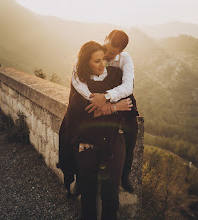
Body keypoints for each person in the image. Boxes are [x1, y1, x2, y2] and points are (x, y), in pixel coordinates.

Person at [59, 41, 138, 220]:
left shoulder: (116, 75)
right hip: (86, 145)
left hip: (113, 144)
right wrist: (115, 107)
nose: (102, 64)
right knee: (88, 196)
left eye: (103, 59)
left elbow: (130, 107)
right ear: (86, 63)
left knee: (111, 197)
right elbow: (78, 114)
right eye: (96, 61)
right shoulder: (80, 83)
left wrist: (106, 105)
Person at [72, 30, 138, 192]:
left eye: (111, 53)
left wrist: (107, 98)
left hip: (117, 99)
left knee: (131, 131)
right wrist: (94, 99)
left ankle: (125, 174)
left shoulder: (125, 59)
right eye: (106, 48)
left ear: (120, 52)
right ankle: (78, 176)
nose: (107, 54)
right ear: (105, 39)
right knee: (72, 128)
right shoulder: (93, 51)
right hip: (92, 99)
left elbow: (128, 86)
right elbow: (76, 78)